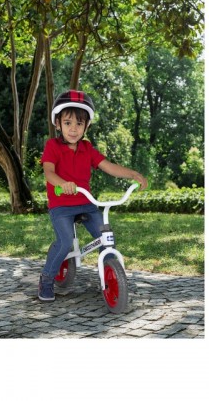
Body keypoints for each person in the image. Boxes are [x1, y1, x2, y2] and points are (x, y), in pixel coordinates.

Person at [38, 90, 148, 302]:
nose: (73, 128)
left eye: (79, 123)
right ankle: (47, 278)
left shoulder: (87, 148)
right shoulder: (53, 146)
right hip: (61, 205)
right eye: (68, 123)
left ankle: (109, 276)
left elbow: (109, 167)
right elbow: (49, 172)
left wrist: (133, 174)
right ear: (58, 124)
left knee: (106, 238)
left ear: (86, 126)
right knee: (65, 242)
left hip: (86, 203)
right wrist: (63, 184)